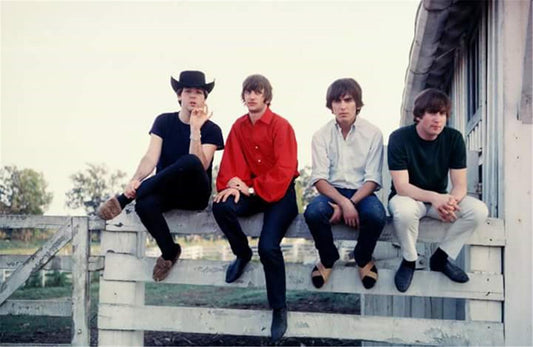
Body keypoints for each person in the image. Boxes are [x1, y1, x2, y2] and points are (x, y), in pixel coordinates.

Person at [97, 70, 224, 282]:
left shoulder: (212, 129)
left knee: (190, 161)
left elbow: (200, 164)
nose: (193, 96)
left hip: (195, 194)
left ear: (204, 98)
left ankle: (123, 199)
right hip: (167, 191)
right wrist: (134, 180)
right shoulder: (164, 122)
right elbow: (150, 158)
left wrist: (195, 129)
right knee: (144, 205)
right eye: (188, 91)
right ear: (179, 96)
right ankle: (169, 251)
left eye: (199, 92)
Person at [212, 74, 298, 343]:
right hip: (251, 190)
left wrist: (249, 188)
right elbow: (231, 164)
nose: (251, 96)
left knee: (269, 247)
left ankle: (279, 308)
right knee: (221, 205)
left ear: (266, 97)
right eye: (248, 92)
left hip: (281, 193)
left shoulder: (281, 126)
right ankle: (241, 253)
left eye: (257, 92)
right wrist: (232, 186)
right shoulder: (238, 127)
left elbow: (285, 170)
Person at [388, 88, 488, 292]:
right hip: (409, 198)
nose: (438, 119)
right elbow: (402, 186)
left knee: (478, 211)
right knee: (403, 211)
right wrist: (436, 198)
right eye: (432, 113)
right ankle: (409, 260)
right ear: (418, 115)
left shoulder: (453, 138)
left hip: (439, 201)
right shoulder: (399, 138)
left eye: (442, 114)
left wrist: (450, 202)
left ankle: (441, 258)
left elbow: (460, 185)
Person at [303, 78, 386, 290]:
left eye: (348, 100)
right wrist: (342, 203)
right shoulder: (320, 135)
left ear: (357, 103)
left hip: (362, 192)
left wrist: (349, 204)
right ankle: (328, 257)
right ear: (330, 106)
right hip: (332, 192)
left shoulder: (373, 133)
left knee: (377, 216)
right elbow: (320, 179)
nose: (342, 106)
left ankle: (362, 257)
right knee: (313, 212)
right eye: (336, 101)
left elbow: (373, 179)